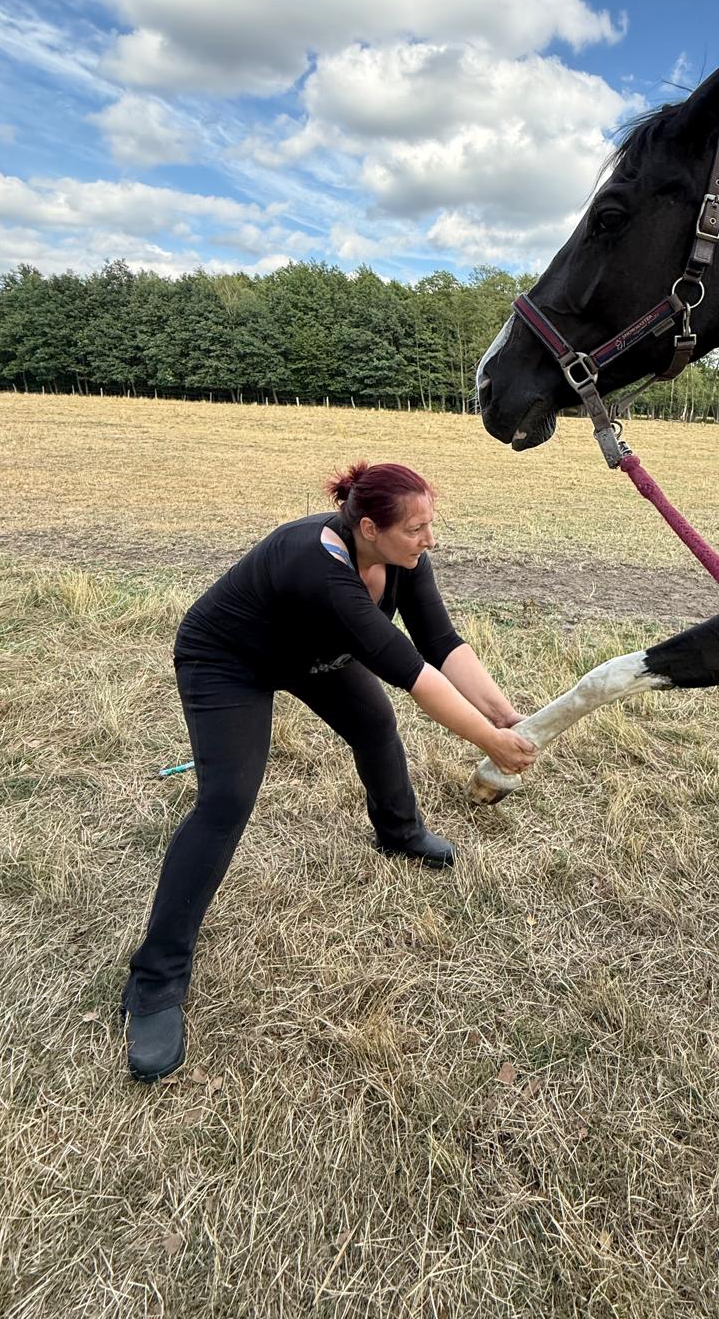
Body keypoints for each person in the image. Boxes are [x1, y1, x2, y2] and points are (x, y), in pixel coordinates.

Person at [122, 460, 536, 1081]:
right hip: (229, 660)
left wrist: (504, 715)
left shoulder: (405, 560)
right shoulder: (316, 565)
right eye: (415, 529)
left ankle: (399, 831)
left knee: (373, 724)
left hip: (313, 651)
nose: (429, 540)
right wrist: (490, 743)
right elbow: (414, 675)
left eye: (431, 524)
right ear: (369, 528)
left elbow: (442, 644)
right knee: (227, 800)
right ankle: (155, 981)